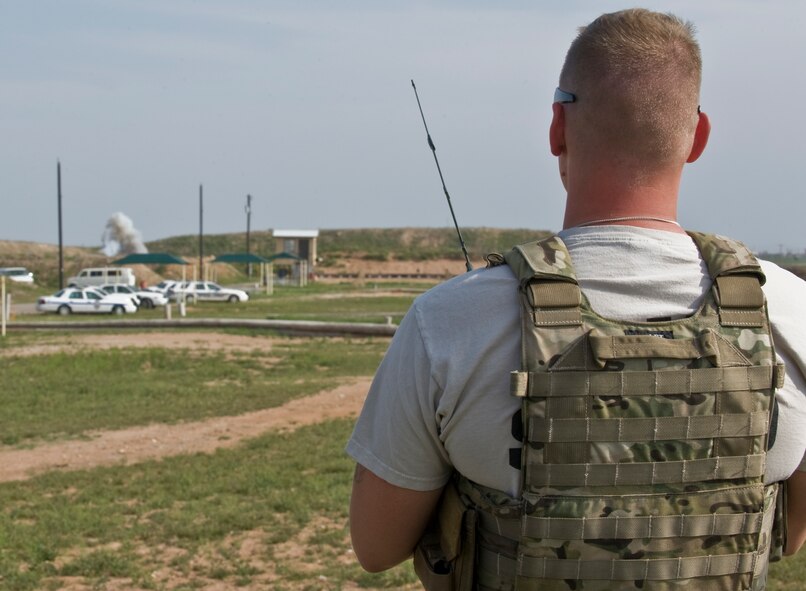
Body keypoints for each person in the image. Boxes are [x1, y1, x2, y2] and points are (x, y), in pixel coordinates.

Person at [347, 8, 806, 589]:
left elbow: (377, 545)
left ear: (557, 128)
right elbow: (787, 534)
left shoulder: (449, 321)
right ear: (698, 137)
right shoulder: (789, 310)